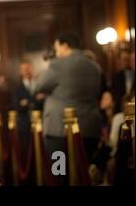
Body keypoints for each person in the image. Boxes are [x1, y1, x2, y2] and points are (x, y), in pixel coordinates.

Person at [36, 33, 102, 164]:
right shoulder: (94, 66)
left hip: (59, 129)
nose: (56, 52)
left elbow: (39, 85)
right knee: (84, 171)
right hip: (89, 128)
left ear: (64, 46)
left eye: (56, 48)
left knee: (58, 172)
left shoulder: (58, 64)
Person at [11, 61, 45, 156]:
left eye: (28, 68)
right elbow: (17, 106)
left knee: (41, 153)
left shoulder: (40, 85)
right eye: (24, 69)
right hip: (24, 125)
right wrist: (34, 100)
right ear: (20, 71)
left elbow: (43, 102)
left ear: (32, 69)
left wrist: (27, 102)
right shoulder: (17, 87)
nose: (26, 71)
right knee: (26, 153)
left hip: (40, 124)